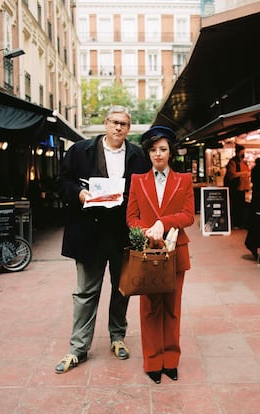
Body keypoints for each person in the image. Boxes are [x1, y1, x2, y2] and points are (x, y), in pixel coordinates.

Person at [54, 105, 148, 374]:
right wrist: (80, 194)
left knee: (122, 290)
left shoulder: (137, 155)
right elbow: (62, 182)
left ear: (129, 129)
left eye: (124, 124)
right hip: (88, 234)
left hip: (122, 235)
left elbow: (143, 191)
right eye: (114, 122)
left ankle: (117, 337)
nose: (119, 128)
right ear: (105, 123)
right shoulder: (80, 150)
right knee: (85, 293)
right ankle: (78, 348)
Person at [126, 125, 195, 384]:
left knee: (172, 309)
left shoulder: (184, 180)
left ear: (171, 152)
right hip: (147, 254)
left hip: (176, 251)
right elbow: (131, 217)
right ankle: (153, 361)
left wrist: (162, 223)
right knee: (149, 309)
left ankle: (171, 361)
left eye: (163, 149)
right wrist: (146, 232)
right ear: (148, 153)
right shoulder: (137, 180)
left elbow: (188, 215)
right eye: (153, 150)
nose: (158, 154)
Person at [224, 144, 251, 229]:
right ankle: (235, 223)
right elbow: (232, 174)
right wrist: (243, 173)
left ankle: (240, 223)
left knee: (241, 206)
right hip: (235, 188)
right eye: (242, 152)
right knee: (236, 206)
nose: (243, 154)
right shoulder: (233, 162)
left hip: (243, 188)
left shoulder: (243, 162)